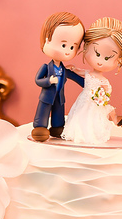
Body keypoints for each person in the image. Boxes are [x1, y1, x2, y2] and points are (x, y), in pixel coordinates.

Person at [62, 17, 122, 145]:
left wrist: (101, 99)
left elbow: (106, 93)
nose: (100, 61)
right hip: (83, 101)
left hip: (94, 105)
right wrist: (73, 69)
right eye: (97, 54)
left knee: (92, 120)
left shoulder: (104, 81)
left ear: (119, 61)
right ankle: (77, 133)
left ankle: (90, 134)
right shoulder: (89, 74)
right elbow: (80, 72)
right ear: (86, 47)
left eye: (107, 58)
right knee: (79, 117)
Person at [32, 12, 85, 142]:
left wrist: (88, 84)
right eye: (63, 45)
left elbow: (76, 78)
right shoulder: (46, 67)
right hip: (47, 96)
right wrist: (48, 81)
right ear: (46, 40)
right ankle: (40, 128)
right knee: (43, 112)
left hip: (59, 97)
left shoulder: (64, 70)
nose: (67, 51)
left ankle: (57, 127)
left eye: (72, 47)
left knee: (58, 113)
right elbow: (38, 80)